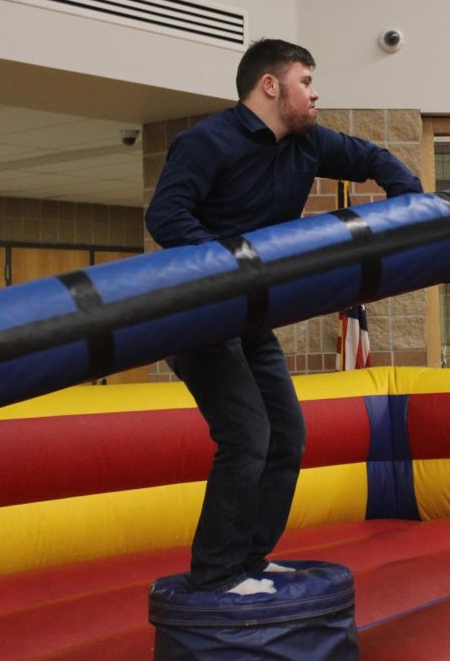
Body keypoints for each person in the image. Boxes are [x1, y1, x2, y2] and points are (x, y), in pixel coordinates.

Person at [146, 39, 422, 594]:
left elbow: (373, 159)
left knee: (288, 435)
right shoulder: (206, 142)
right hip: (197, 315)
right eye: (306, 82)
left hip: (251, 317)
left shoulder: (309, 143)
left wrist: (410, 202)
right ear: (270, 87)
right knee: (247, 435)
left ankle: (249, 558)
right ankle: (217, 571)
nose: (316, 94)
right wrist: (229, 266)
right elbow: (165, 215)